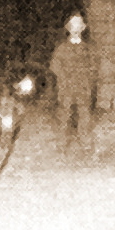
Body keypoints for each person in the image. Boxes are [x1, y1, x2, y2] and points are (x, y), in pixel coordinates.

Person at [49, 13, 98, 154]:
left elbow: (94, 67)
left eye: (78, 25)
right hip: (66, 88)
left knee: (85, 116)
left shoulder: (89, 48)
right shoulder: (62, 48)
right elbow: (55, 66)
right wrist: (64, 80)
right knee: (64, 115)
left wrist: (88, 81)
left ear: (83, 28)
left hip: (83, 87)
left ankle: (86, 143)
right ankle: (62, 143)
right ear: (68, 28)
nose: (75, 28)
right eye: (72, 25)